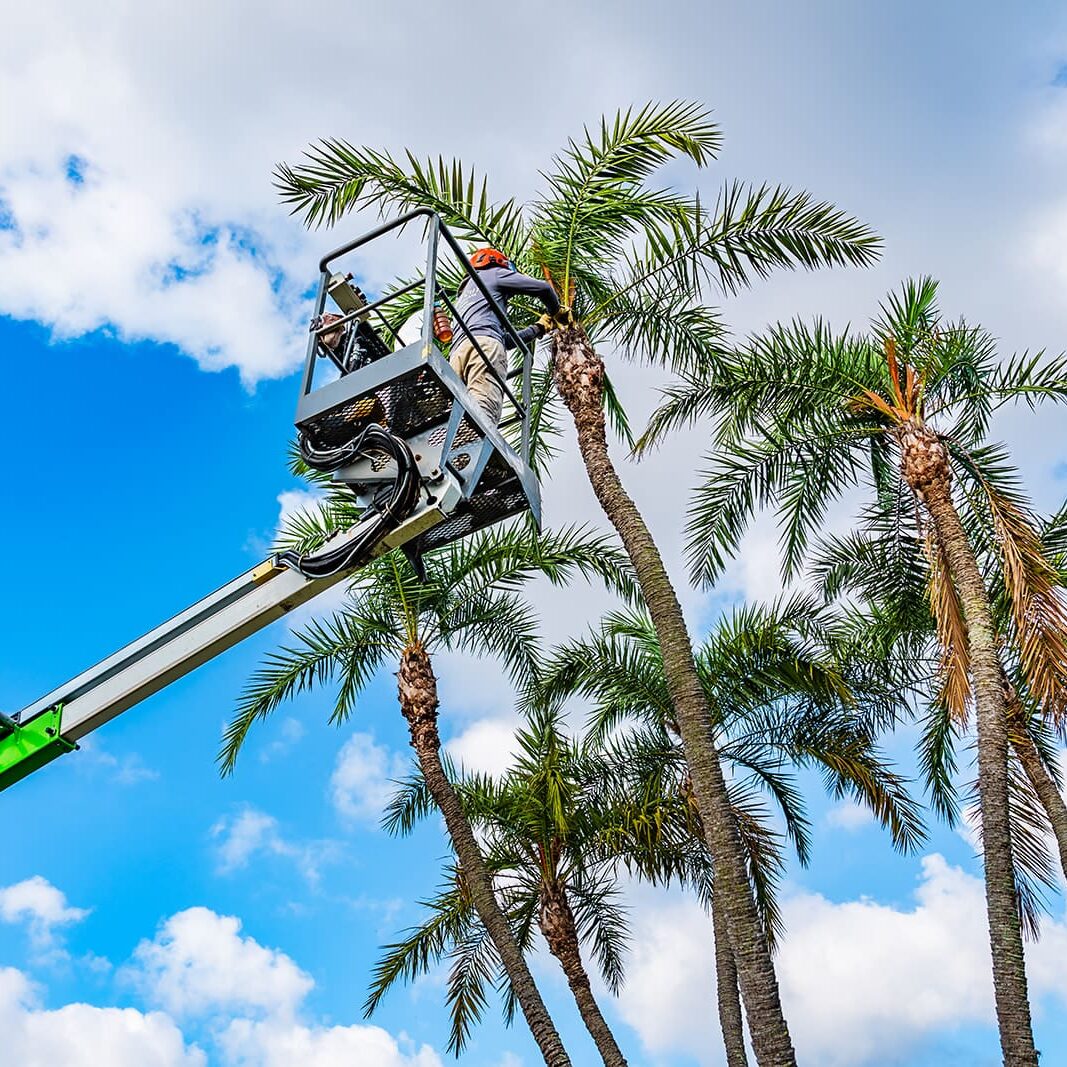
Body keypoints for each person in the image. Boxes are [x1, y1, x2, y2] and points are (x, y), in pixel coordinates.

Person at [449, 248, 561, 423]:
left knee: (454, 412)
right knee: (483, 408)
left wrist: (538, 328)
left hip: (457, 355)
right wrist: (556, 311)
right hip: (485, 348)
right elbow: (544, 289)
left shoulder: (463, 296)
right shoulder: (494, 273)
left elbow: (505, 341)